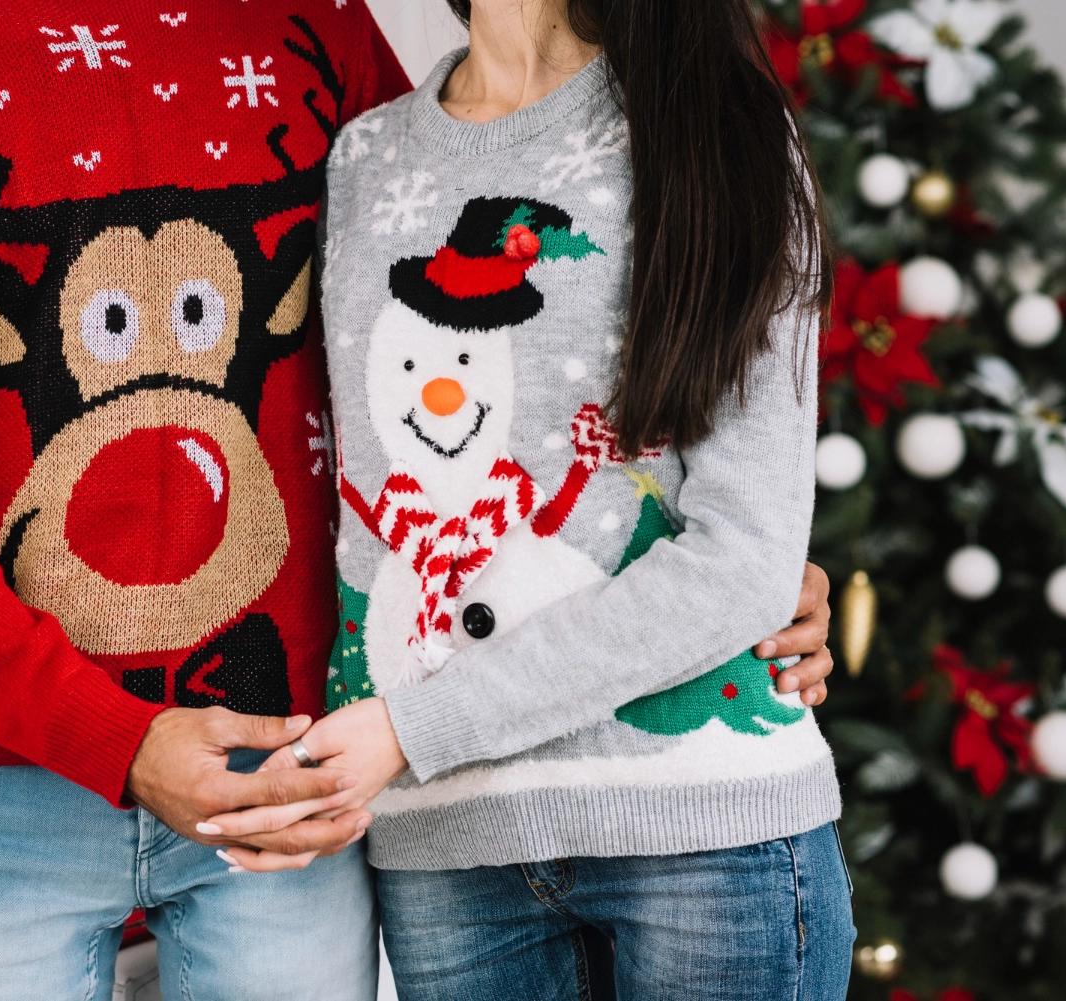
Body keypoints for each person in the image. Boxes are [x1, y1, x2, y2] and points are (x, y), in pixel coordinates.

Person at [0, 0, 835, 997]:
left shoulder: (314, 30)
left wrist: (734, 563)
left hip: (297, 775)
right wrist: (115, 737)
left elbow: (494, 362)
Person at [207, 1, 856, 998]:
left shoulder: (721, 132)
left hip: (706, 836)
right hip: (449, 855)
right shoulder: (363, 158)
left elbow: (743, 556)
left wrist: (414, 729)